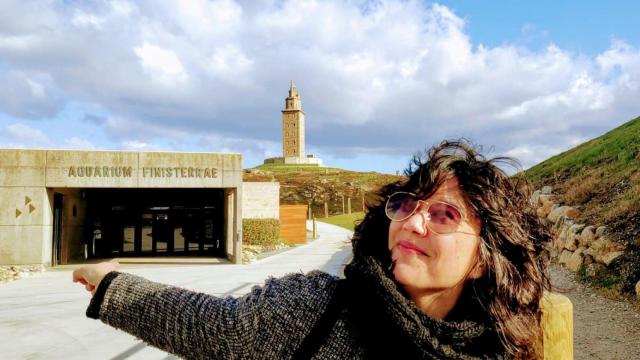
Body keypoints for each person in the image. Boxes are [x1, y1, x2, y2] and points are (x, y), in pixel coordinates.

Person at [73, 140, 551, 359]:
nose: (413, 221)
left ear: (487, 256)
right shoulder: (314, 309)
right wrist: (111, 284)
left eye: (445, 215)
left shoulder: (499, 346)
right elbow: (210, 326)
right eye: (406, 205)